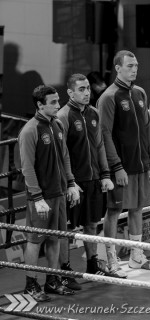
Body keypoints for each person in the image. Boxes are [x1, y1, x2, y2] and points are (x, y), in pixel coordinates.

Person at [98, 50, 150, 277]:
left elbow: (147, 129)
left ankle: (136, 255)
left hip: (141, 164)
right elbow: (104, 136)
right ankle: (110, 260)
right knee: (114, 211)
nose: (134, 69)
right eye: (130, 65)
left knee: (137, 208)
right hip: (121, 168)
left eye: (136, 65)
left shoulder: (140, 93)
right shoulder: (108, 97)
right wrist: (116, 167)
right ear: (117, 68)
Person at [19, 85, 80, 301]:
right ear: (40, 105)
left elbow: (65, 157)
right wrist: (37, 198)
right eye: (53, 102)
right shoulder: (29, 130)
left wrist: (71, 183)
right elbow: (27, 168)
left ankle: (52, 280)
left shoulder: (57, 125)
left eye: (58, 100)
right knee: (35, 241)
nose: (58, 105)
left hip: (59, 193)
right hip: (41, 198)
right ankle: (31, 284)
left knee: (56, 239)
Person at [56, 74, 116, 289]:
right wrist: (70, 182)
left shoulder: (94, 113)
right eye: (81, 89)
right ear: (70, 93)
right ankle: (64, 270)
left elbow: (99, 145)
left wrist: (106, 174)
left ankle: (92, 264)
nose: (87, 92)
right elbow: (61, 153)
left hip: (93, 179)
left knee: (91, 224)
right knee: (67, 229)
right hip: (75, 183)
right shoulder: (63, 116)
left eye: (88, 88)